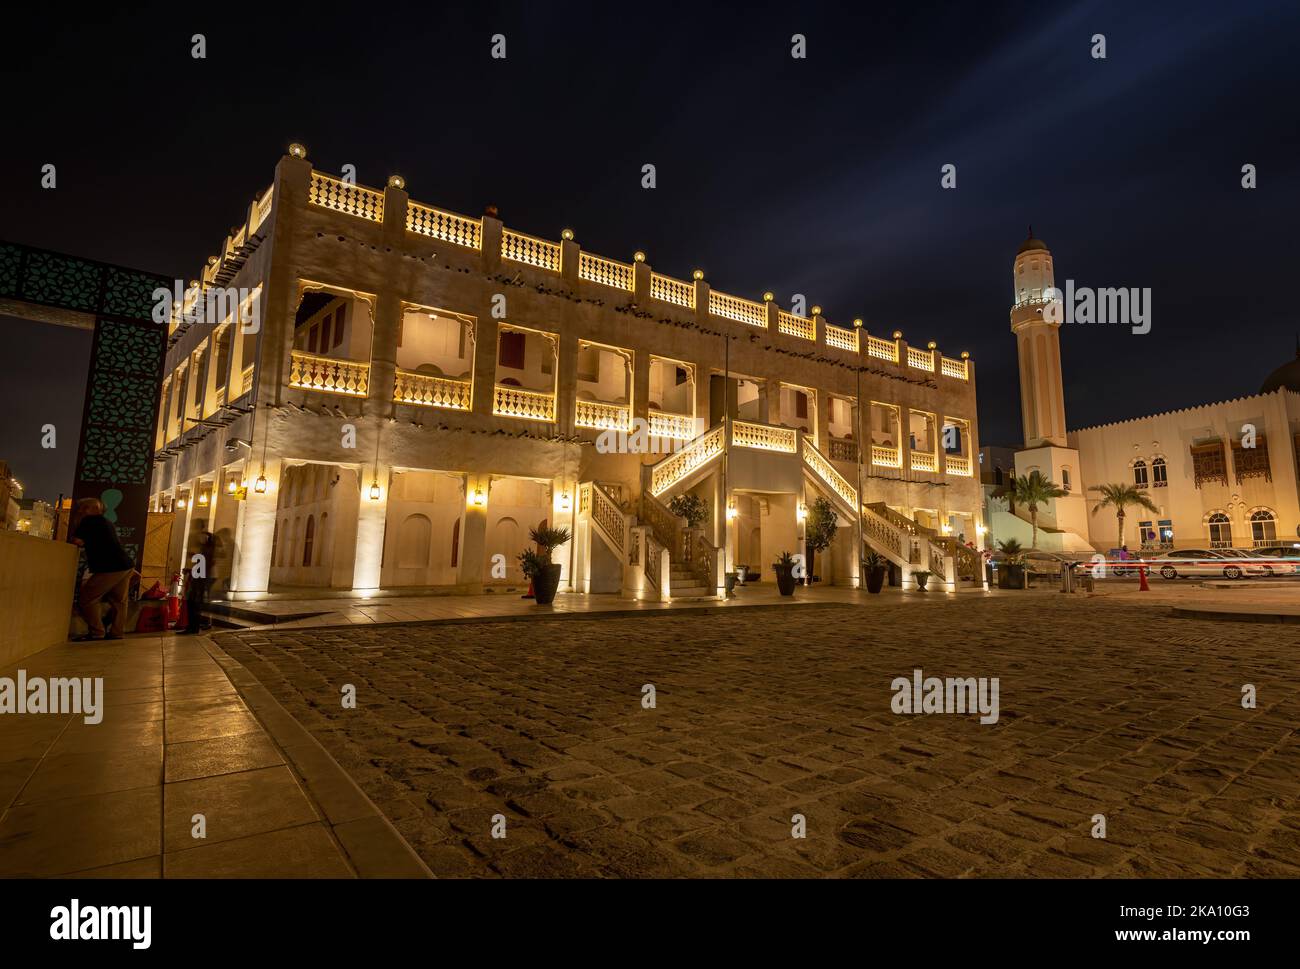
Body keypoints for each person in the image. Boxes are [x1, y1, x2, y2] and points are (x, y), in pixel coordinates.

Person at [71, 498, 134, 641]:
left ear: (91, 509)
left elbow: (77, 541)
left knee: (87, 598)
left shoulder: (88, 522)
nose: (80, 511)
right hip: (126, 565)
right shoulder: (108, 523)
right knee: (119, 602)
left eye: (83, 508)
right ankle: (117, 632)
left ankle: (97, 632)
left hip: (110, 567)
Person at [185, 529, 219, 634]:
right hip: (199, 578)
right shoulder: (204, 549)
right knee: (193, 602)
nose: (201, 538)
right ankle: (193, 626)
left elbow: (204, 565)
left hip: (201, 579)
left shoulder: (208, 550)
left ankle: (195, 627)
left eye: (204, 537)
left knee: (195, 602)